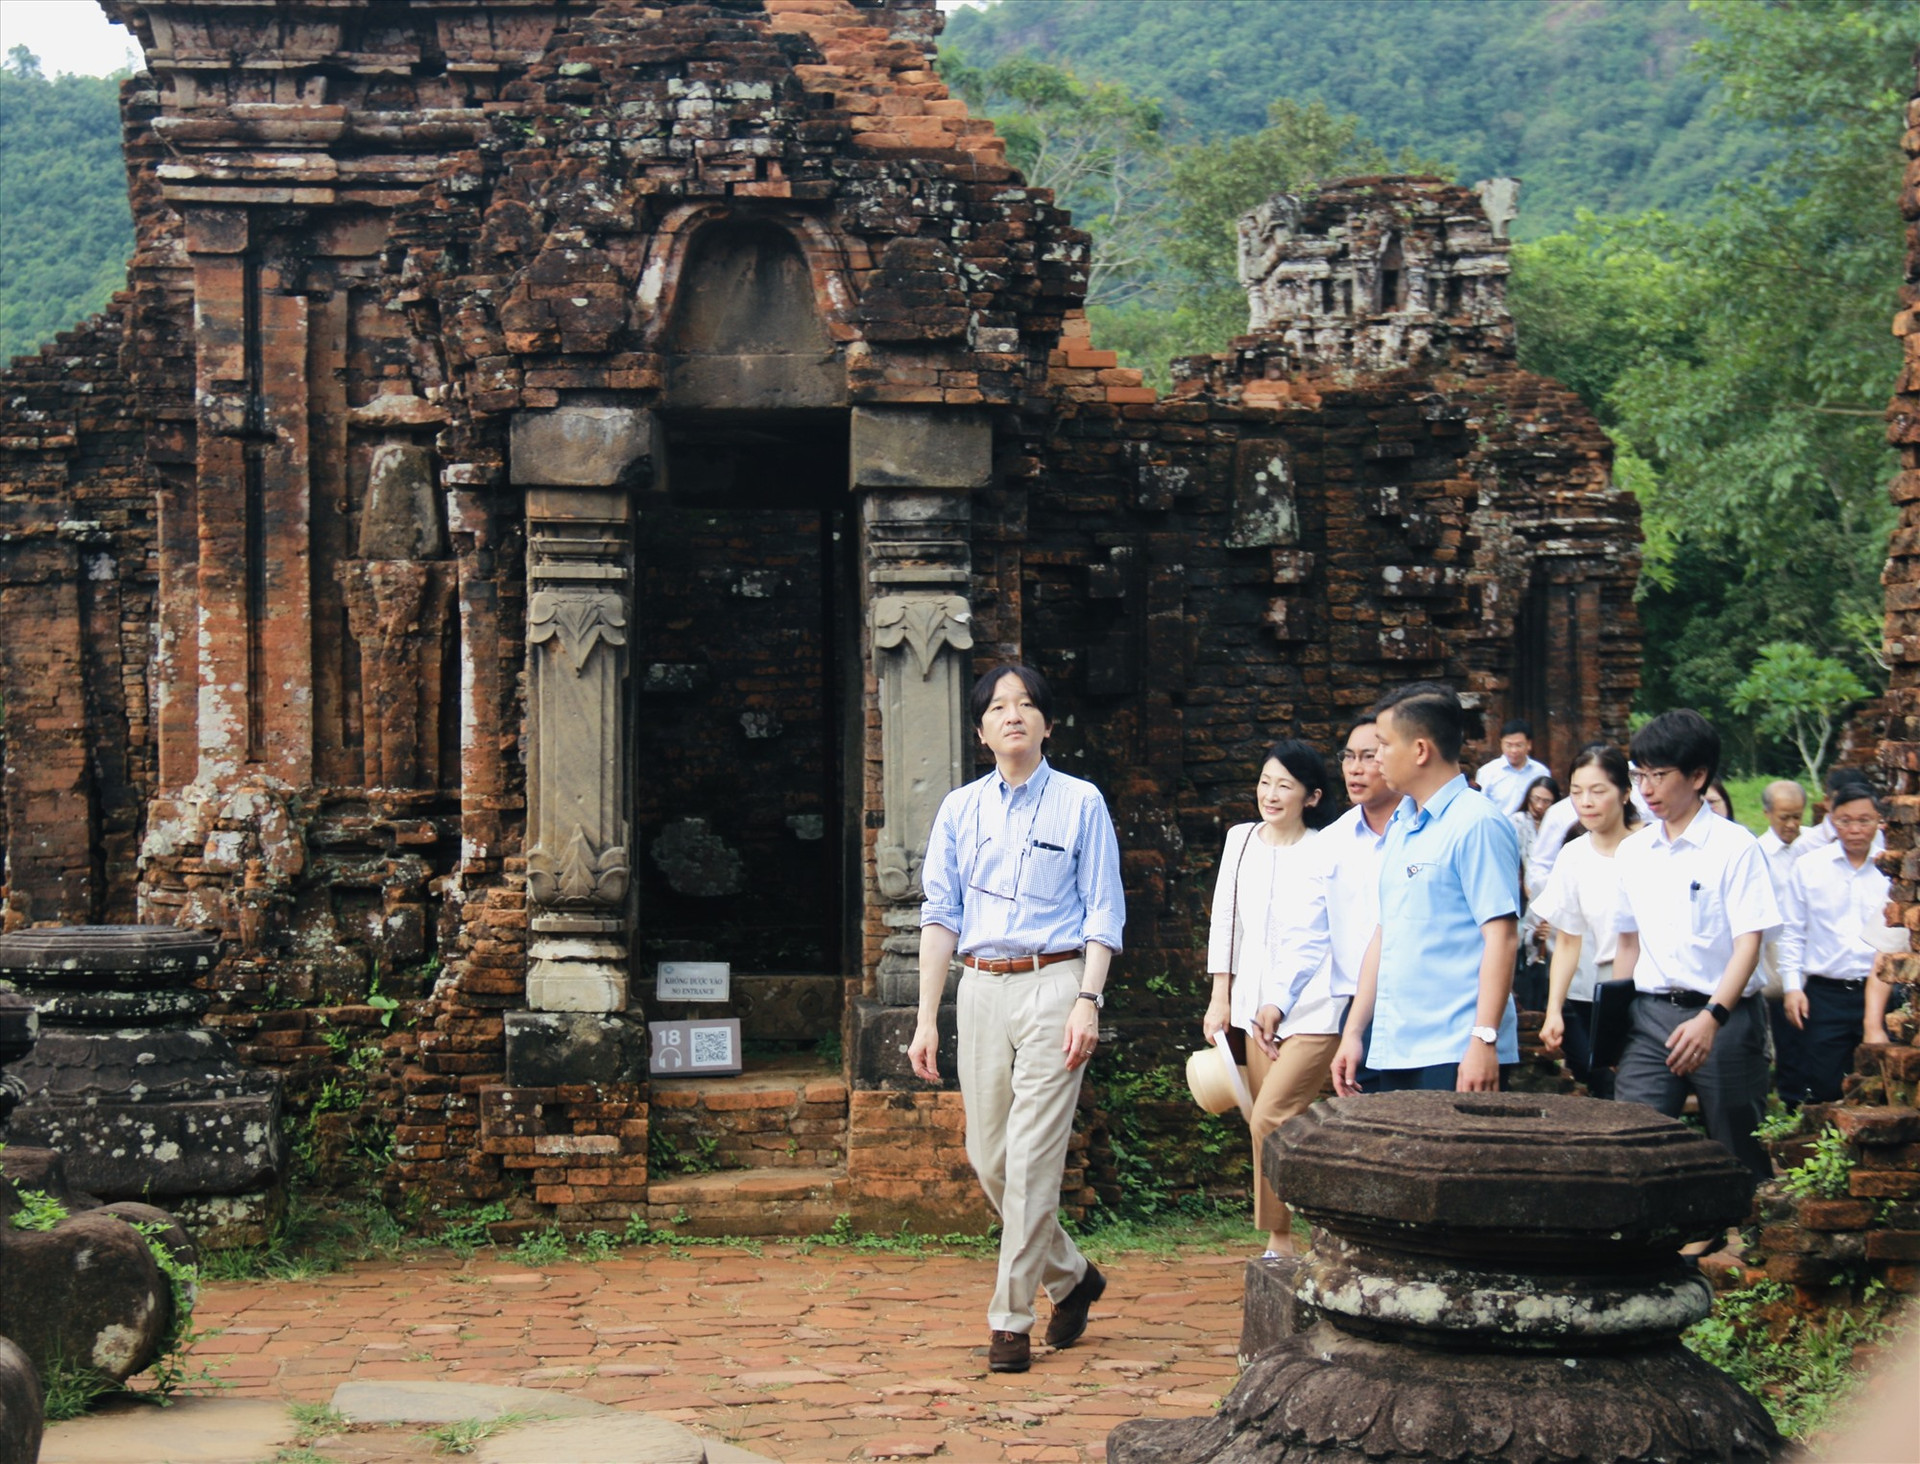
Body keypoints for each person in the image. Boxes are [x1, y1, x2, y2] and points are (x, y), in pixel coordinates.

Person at [910, 664, 1125, 1374]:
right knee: (989, 1156)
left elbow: (1103, 912)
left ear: (1047, 723)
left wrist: (1088, 999)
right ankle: (1072, 1277)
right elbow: (940, 915)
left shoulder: (1082, 802)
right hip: (980, 987)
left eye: (1026, 705)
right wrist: (925, 1018)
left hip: (1057, 984)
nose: (1013, 716)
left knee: (1032, 1158)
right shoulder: (959, 809)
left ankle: (1010, 1320)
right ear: (980, 730)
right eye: (999, 707)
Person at [1612, 710, 1778, 1180]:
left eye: (1659, 775)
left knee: (1736, 1144)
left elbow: (1750, 944)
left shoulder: (1735, 847)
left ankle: (1745, 1244)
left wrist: (1712, 1018)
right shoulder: (1634, 851)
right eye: (1639, 775)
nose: (1646, 789)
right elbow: (1629, 941)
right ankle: (1650, 1249)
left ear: (1698, 775)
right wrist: (1615, 1017)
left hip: (1725, 1017)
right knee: (1634, 1140)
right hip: (1650, 1017)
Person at [1332, 682, 1520, 1095]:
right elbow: (1386, 932)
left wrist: (1484, 1039)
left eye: (1382, 744)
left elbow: (1502, 937)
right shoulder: (1402, 823)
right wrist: (1355, 1031)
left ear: (1420, 750)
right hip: (1395, 1045)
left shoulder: (1477, 823)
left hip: (1456, 1047)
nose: (1376, 757)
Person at [1202, 741, 1339, 1259]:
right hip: (1250, 1007)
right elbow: (1225, 922)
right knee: (1273, 1122)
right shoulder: (1240, 840)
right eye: (1264, 781)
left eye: (1285, 784)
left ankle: (1293, 1234)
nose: (1271, 794)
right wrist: (1221, 999)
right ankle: (1296, 1232)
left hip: (1315, 1008)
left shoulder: (1328, 849)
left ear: (1311, 796)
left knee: (1271, 1118)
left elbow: (1331, 934)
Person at [1775, 787, 1894, 1104]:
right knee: (1825, 1084)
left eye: (1864, 820)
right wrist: (1792, 987)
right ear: (1831, 820)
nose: (1855, 830)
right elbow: (1793, 932)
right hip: (1826, 993)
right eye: (1845, 821)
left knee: (1887, 1084)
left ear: (1879, 821)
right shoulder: (1809, 866)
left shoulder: (1892, 869)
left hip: (1883, 990)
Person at [1534, 746, 1638, 1093]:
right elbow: (1567, 941)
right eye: (1577, 792)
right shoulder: (1574, 856)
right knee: (1604, 1086)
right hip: (1600, 990)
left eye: (1598, 791)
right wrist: (1553, 1010)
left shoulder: (1649, 850)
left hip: (1651, 986)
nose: (1586, 802)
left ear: (1625, 793)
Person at [1756, 779, 1811, 1100]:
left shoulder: (1812, 849)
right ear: (1767, 814)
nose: (1791, 825)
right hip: (1774, 951)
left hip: (1810, 950)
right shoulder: (1758, 854)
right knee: (1785, 1028)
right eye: (1783, 817)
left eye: (1796, 817)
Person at [1511, 774, 1560, 1011]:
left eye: (1546, 801)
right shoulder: (1518, 822)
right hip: (1526, 891)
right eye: (1536, 800)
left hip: (1552, 890)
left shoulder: (1560, 823)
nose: (1540, 806)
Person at [1475, 717, 1552, 814]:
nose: (1514, 750)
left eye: (1519, 745)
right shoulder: (1487, 772)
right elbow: (1479, 807)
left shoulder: (1541, 772)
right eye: (1509, 745)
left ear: (1529, 744)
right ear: (1501, 744)